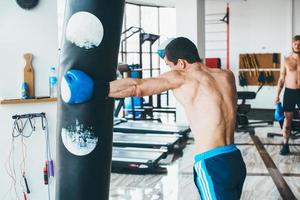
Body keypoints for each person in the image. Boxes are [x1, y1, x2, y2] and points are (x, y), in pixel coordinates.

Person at [109, 37, 246, 199]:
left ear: (181, 63)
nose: (169, 70)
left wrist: (97, 89)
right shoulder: (226, 75)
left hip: (211, 163)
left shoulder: (182, 78)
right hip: (234, 158)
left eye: (169, 65)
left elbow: (136, 87)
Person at [274, 35, 300, 155]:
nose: (297, 46)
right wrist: (277, 94)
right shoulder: (286, 60)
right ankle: (285, 144)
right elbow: (281, 78)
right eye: (295, 44)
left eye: (299, 44)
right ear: (292, 44)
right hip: (289, 92)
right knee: (287, 120)